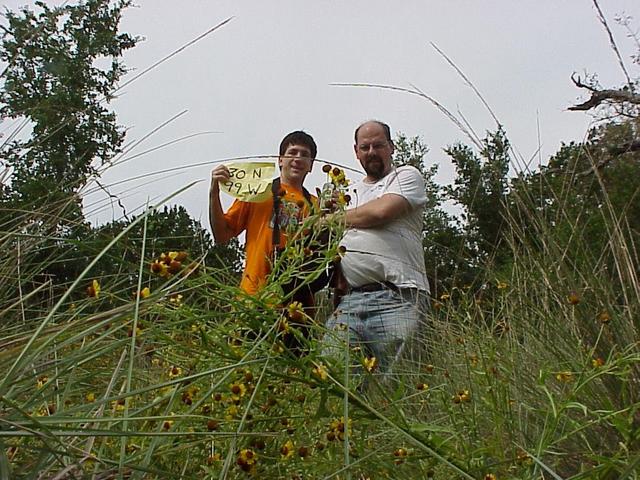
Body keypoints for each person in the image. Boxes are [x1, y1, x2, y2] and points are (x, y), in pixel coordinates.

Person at [325, 120, 429, 373]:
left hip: (398, 296)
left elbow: (381, 212)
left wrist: (330, 219)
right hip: (350, 302)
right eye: (365, 147)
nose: (371, 151)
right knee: (334, 377)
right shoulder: (348, 193)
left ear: (391, 147)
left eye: (378, 145)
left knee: (395, 386)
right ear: (356, 151)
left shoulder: (406, 176)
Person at [209, 130, 318, 300]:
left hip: (296, 305)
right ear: (280, 160)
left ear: (311, 165)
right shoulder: (256, 191)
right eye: (292, 152)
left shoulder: (317, 206)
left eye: (305, 155)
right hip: (253, 297)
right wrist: (214, 193)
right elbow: (221, 234)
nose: (297, 159)